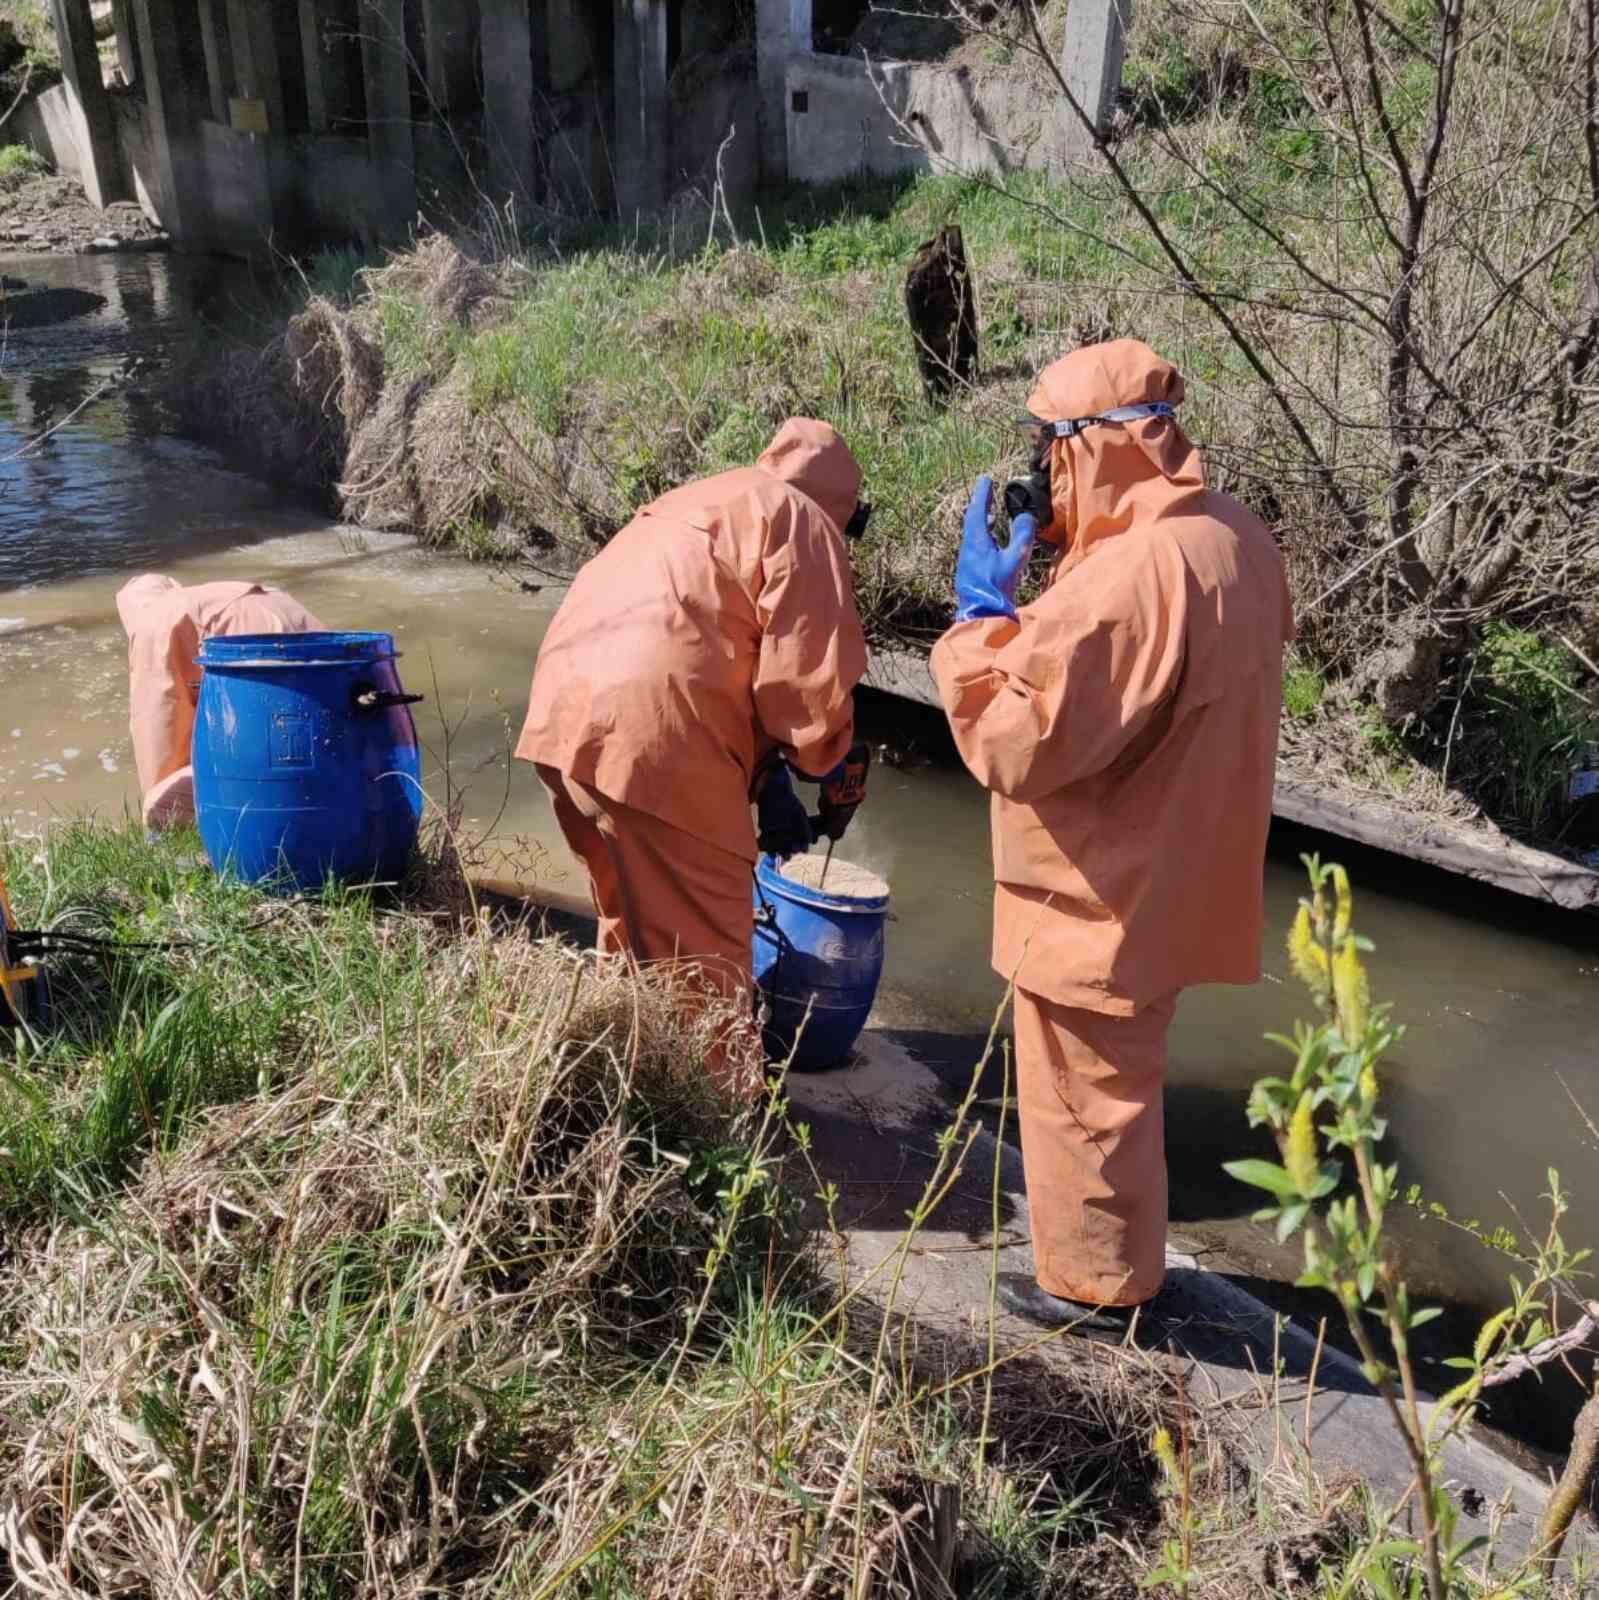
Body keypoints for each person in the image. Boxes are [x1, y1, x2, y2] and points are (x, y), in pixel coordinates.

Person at [930, 340, 1294, 1332]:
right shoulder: (1235, 538)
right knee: (1121, 1094)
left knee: (1082, 1106)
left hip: (1101, 891)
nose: (1043, 472)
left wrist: (978, 620)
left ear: (1096, 449)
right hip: (1186, 868)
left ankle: (1094, 1294)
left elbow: (1014, 740)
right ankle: (1122, 1270)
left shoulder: (1127, 578)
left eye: (1050, 446)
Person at [516, 418, 871, 1084]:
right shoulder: (804, 522)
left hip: (564, 720)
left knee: (634, 927)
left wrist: (766, 785)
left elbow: (703, 637)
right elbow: (802, 690)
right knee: (705, 970)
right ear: (842, 509)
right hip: (653, 742)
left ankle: (622, 1088)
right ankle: (715, 1145)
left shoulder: (697, 499)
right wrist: (825, 761)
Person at [116, 575, 324, 832]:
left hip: (278, 779)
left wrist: (156, 809)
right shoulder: (221, 600)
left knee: (159, 804)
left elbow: (160, 729)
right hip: (331, 754)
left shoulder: (154, 621)